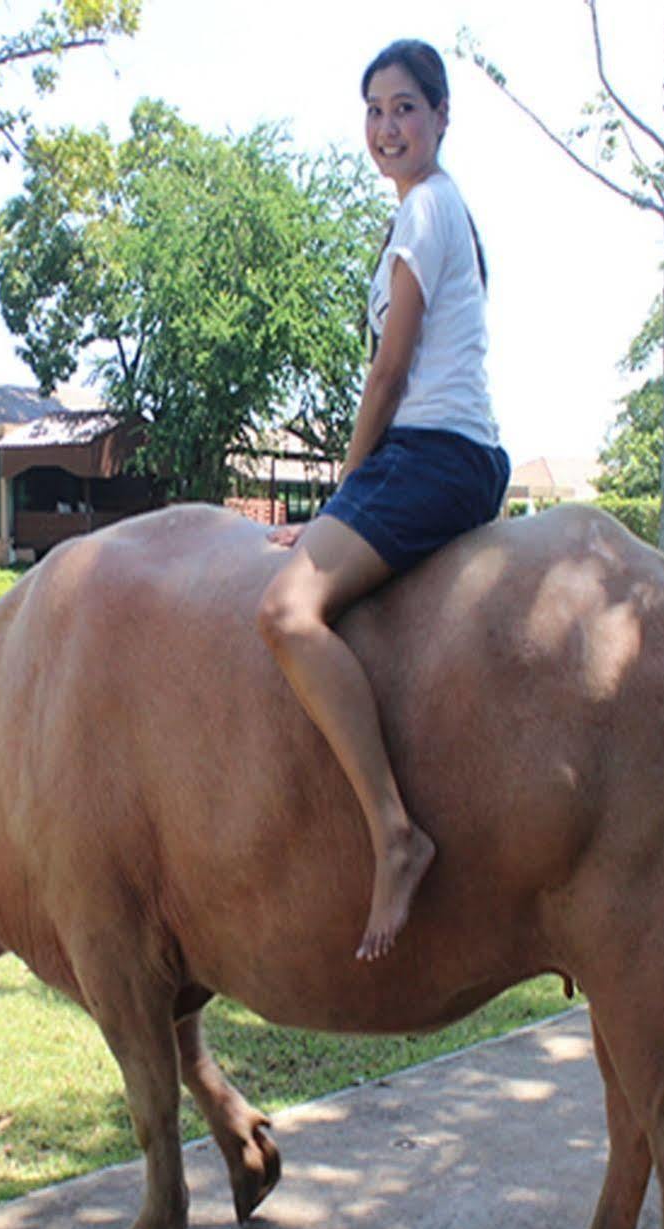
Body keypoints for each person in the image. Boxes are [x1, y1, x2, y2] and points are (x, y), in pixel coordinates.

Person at [256, 37, 510, 962]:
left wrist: (348, 487)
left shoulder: (424, 213)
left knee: (286, 612)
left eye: (405, 107)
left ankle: (393, 833)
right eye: (374, 110)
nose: (387, 126)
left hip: (432, 453)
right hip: (458, 452)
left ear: (441, 118)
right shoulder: (441, 214)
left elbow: (390, 368)